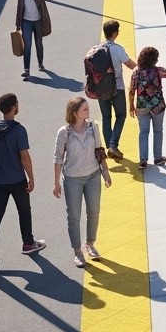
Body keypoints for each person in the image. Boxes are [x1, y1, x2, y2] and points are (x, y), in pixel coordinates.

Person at [0, 93, 46, 269]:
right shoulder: (18, 130)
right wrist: (31, 177)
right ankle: (28, 243)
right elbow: (24, 156)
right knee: (24, 210)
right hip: (17, 180)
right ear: (14, 107)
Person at [52, 97, 112, 268]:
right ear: (74, 112)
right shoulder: (64, 133)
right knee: (74, 216)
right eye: (84, 109)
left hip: (93, 175)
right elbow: (57, 158)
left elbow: (100, 150)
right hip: (72, 179)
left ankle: (90, 244)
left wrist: (105, 173)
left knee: (94, 212)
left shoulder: (93, 128)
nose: (88, 111)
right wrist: (56, 182)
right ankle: (77, 251)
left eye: (87, 108)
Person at [95, 19, 138, 160]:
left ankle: (110, 147)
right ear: (115, 33)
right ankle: (113, 145)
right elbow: (131, 65)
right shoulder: (117, 49)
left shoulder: (96, 49)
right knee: (121, 115)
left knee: (106, 117)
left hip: (101, 89)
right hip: (117, 88)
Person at [15, 0, 52, 80]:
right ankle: (26, 69)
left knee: (39, 43)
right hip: (26, 22)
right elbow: (19, 9)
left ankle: (40, 63)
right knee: (27, 46)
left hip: (38, 22)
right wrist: (18, 24)